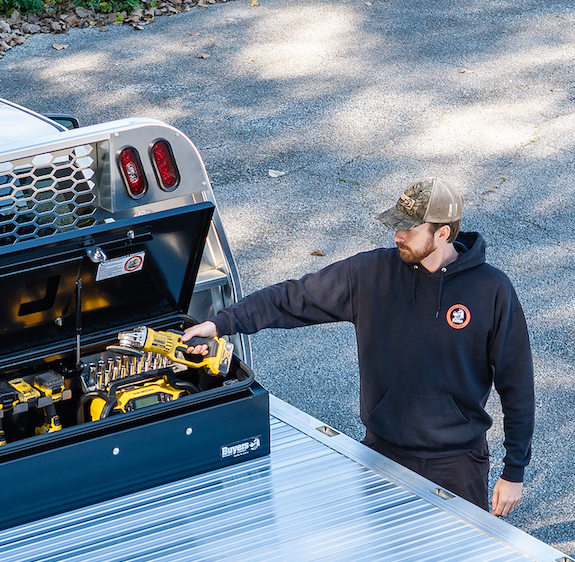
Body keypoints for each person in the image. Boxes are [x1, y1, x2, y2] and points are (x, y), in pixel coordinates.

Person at [183, 179, 534, 515]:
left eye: (408, 229)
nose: (396, 235)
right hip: (382, 454)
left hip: (458, 465)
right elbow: (293, 298)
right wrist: (221, 323)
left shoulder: (492, 291)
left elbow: (517, 385)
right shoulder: (371, 274)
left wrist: (513, 471)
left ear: (442, 233)